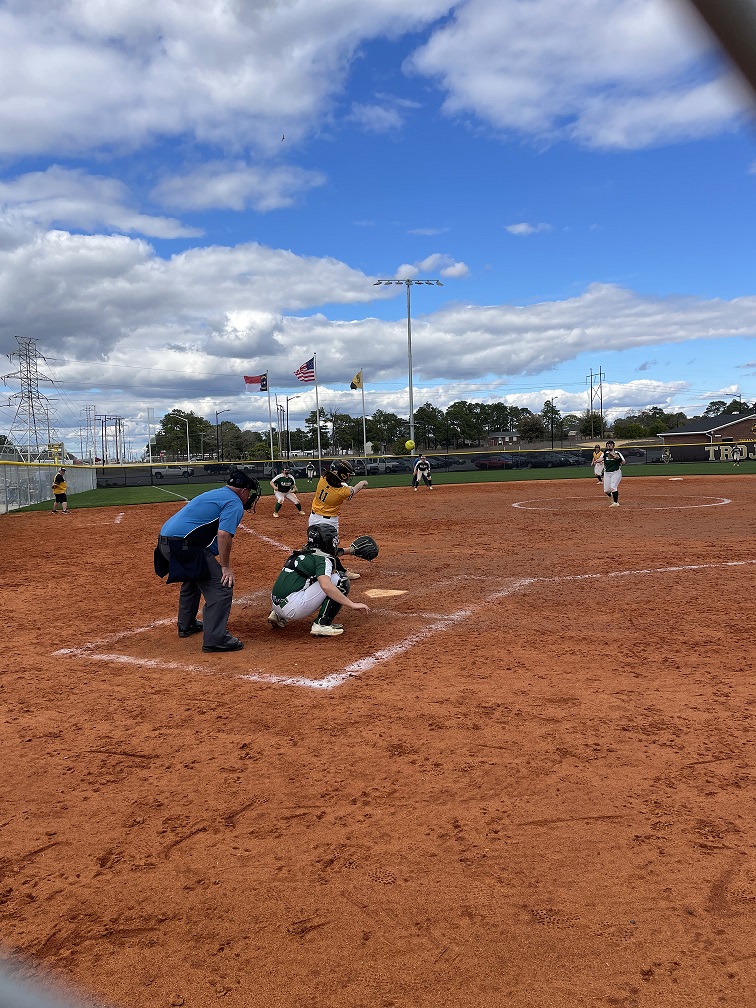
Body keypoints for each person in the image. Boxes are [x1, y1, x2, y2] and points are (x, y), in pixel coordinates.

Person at [154, 470, 261, 652]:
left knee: (195, 577)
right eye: (248, 493)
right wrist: (225, 567)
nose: (248, 497)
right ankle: (215, 639)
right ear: (243, 491)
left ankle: (186, 625)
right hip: (183, 546)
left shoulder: (216, 493)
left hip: (166, 542)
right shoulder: (234, 502)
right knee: (222, 587)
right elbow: (224, 534)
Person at [268, 525, 370, 637]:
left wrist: (350, 551)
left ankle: (278, 615)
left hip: (276, 605)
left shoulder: (305, 551)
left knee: (309, 578)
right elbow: (326, 586)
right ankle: (321, 625)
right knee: (339, 579)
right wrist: (352, 604)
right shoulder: (323, 560)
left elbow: (331, 552)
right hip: (292, 608)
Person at [309, 460, 368, 579]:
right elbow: (354, 489)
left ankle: (314, 570)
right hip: (329, 522)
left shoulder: (323, 478)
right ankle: (340, 571)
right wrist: (362, 483)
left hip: (313, 518)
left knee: (315, 547)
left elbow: (334, 479)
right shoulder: (342, 492)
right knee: (331, 549)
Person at [602, 440, 625, 508]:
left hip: (616, 472)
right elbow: (601, 459)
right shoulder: (605, 453)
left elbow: (623, 462)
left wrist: (618, 459)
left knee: (613, 487)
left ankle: (616, 502)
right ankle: (611, 496)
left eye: (611, 444)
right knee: (606, 490)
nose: (609, 445)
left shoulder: (617, 453)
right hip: (607, 473)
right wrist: (597, 461)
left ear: (613, 445)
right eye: (608, 444)